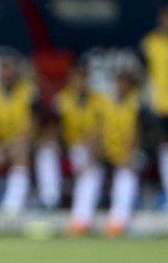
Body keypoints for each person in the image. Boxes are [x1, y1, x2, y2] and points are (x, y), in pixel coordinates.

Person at [68, 72, 141, 237]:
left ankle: (118, 221)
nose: (120, 87)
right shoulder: (104, 103)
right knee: (90, 173)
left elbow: (138, 134)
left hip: (129, 153)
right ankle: (80, 220)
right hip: (107, 152)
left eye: (124, 84)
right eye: (118, 83)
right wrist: (93, 154)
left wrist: (127, 155)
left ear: (130, 87)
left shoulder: (136, 105)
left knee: (126, 174)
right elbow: (97, 130)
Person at [141, 5, 168, 211]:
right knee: (166, 151)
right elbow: (146, 73)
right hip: (162, 105)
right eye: (166, 19)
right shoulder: (152, 43)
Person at [0, 58, 36, 215]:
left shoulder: (29, 91)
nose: (6, 74)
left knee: (22, 147)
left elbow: (34, 124)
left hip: (21, 142)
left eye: (9, 69)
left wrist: (10, 145)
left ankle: (13, 205)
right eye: (3, 69)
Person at [61, 66, 106, 236]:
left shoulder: (99, 101)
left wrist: (95, 147)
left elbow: (101, 130)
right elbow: (53, 129)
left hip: (93, 150)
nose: (80, 83)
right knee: (48, 152)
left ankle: (81, 220)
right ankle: (48, 202)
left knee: (90, 170)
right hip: (68, 148)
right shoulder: (63, 100)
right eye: (77, 79)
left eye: (83, 79)